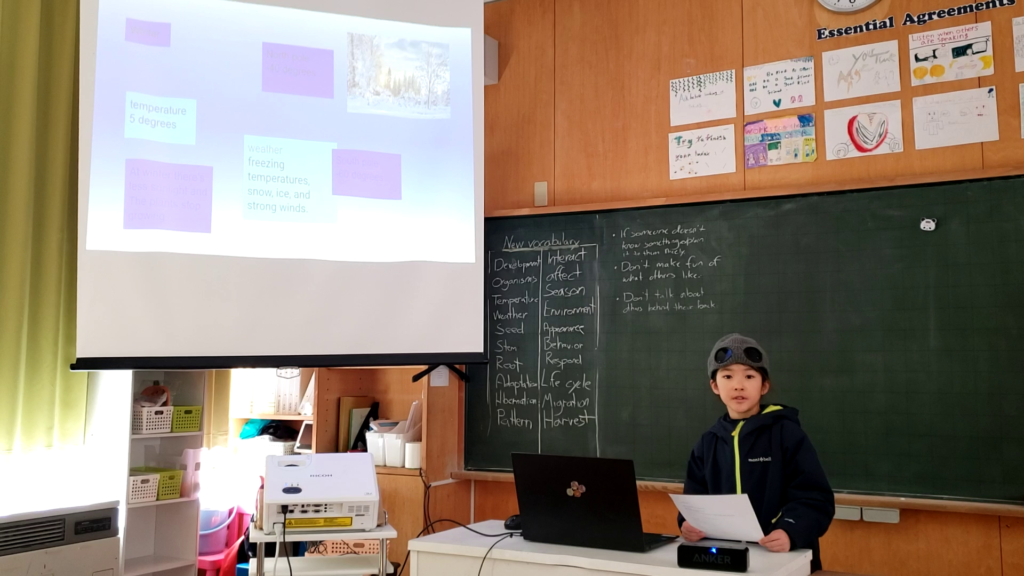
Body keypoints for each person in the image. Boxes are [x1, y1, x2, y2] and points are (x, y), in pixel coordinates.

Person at [679, 334, 834, 572]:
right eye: (727, 376)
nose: (738, 385)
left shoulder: (787, 434)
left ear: (764, 386)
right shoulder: (708, 442)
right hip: (725, 559)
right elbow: (694, 500)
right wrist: (687, 523)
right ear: (715, 386)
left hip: (782, 558)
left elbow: (815, 498)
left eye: (749, 376)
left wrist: (790, 530)